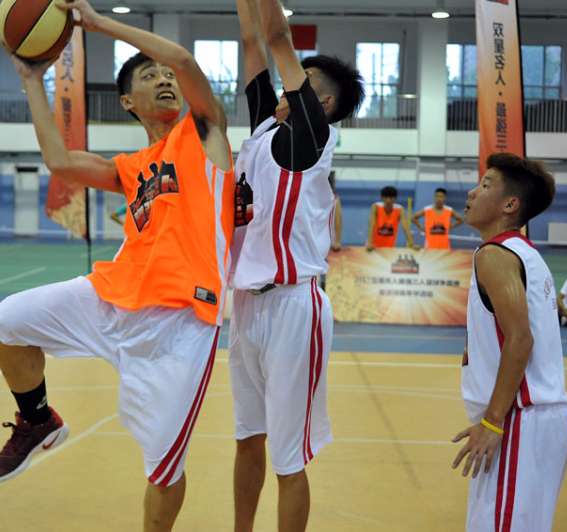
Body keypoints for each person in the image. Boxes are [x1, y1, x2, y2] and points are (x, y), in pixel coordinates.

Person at [0, 1, 235, 530]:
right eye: (149, 75)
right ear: (127, 101)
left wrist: (98, 24)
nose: (165, 79)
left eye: (166, 75)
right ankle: (37, 420)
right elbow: (59, 161)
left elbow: (185, 61)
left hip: (181, 321)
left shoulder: (204, 136)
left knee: (163, 469)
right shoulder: (130, 168)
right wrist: (31, 79)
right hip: (111, 296)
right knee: (5, 322)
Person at [229, 1, 364, 531]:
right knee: (247, 439)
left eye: (299, 83)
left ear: (320, 101)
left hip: (293, 305)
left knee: (288, 457)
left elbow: (276, 38)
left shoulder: (313, 136)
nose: (287, 88)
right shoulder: (266, 129)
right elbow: (252, 42)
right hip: (246, 303)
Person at [452, 153, 567, 532]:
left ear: (510, 205)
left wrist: (492, 422)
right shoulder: (526, 254)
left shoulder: (495, 255)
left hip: (518, 419)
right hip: (535, 419)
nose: (472, 192)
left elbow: (520, 340)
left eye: (485, 185)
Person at [366, 185, 413, 250]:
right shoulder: (376, 206)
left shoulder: (400, 209)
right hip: (373, 246)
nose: (388, 200)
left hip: (390, 246)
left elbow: (405, 227)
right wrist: (369, 242)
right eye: (386, 197)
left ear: (395, 198)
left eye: (391, 198)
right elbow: (371, 224)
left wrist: (411, 243)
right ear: (382, 198)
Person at [330, 171, 343, 252]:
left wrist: (337, 241)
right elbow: (338, 221)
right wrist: (337, 241)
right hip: (329, 241)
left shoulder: (335, 200)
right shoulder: (335, 200)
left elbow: (338, 221)